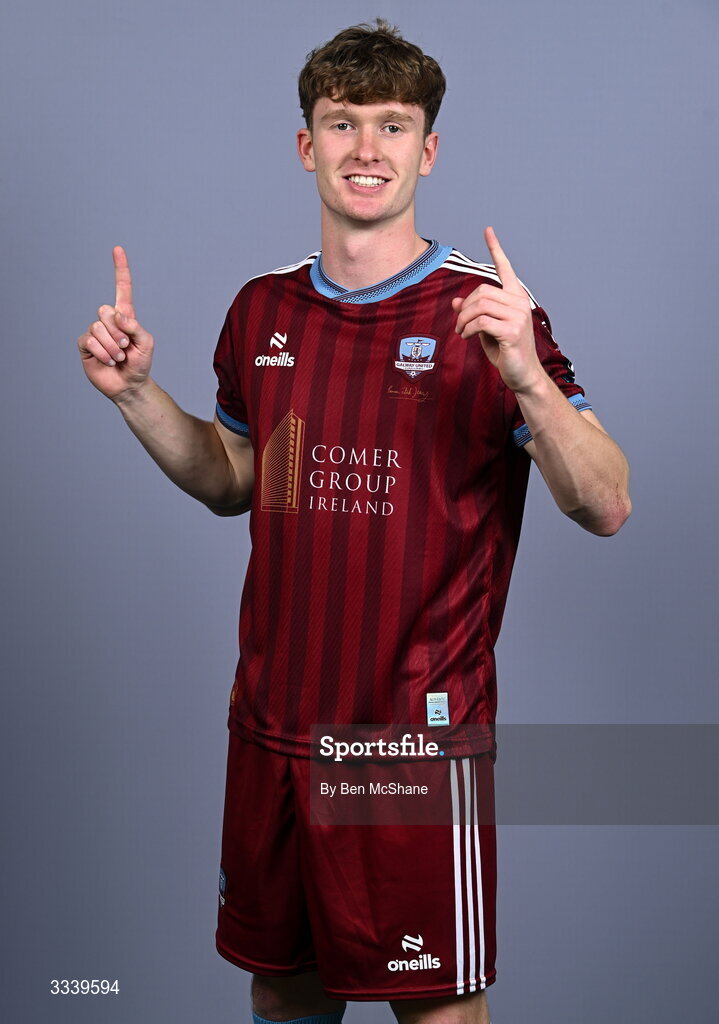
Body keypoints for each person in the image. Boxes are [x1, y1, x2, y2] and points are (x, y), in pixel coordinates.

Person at [76, 18, 631, 1024]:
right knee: (280, 988)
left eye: (391, 125)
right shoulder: (262, 311)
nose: (365, 148)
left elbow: (605, 504)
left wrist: (528, 382)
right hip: (272, 730)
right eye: (342, 123)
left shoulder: (488, 316)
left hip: (408, 747)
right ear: (307, 145)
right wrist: (137, 397)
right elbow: (234, 479)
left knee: (435, 1008)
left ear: (428, 149)